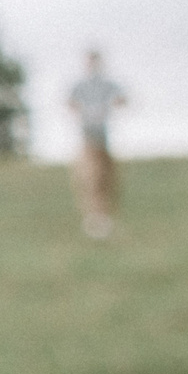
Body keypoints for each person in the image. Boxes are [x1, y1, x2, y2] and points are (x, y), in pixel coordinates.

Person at [68, 50, 127, 238]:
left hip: (103, 134)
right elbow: (70, 103)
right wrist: (84, 111)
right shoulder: (81, 86)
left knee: (105, 176)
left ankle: (104, 214)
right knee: (90, 175)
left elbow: (122, 99)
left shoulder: (106, 84)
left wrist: (110, 105)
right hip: (88, 134)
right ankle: (92, 214)